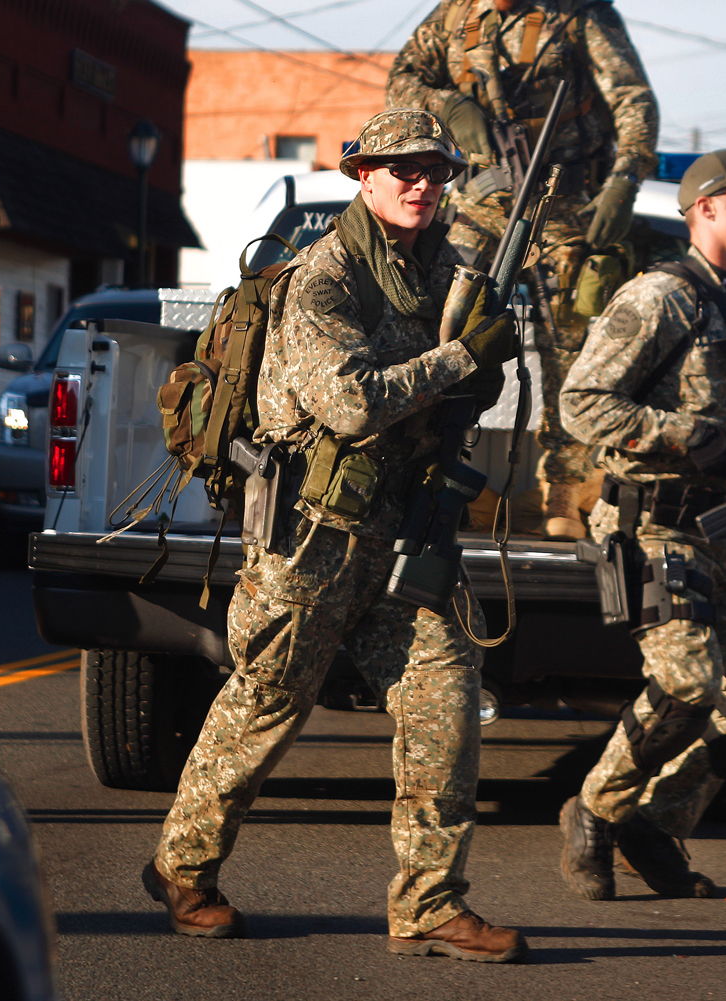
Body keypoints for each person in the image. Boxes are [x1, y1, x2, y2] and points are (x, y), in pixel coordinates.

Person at [143, 109, 526, 963]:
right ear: (362, 175)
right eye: (400, 168)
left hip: (402, 527)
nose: (419, 181)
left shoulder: (442, 272)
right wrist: (463, 358)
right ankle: (182, 868)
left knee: (445, 697)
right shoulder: (324, 274)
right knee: (267, 703)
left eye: (432, 168)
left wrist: (482, 351)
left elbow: (440, 394)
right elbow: (349, 402)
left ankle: (429, 901)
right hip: (310, 539)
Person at [554, 149, 726, 901]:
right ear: (704, 209)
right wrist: (686, 435)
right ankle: (592, 809)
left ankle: (654, 822)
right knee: (687, 683)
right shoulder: (661, 296)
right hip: (650, 522)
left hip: (724, 526)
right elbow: (582, 402)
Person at [386, 0, 660, 540]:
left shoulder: (579, 13)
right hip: (482, 203)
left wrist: (627, 177)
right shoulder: (455, 15)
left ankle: (567, 494)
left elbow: (631, 97)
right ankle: (425, 470)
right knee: (439, 327)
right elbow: (401, 78)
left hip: (564, 202)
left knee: (578, 348)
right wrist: (449, 105)